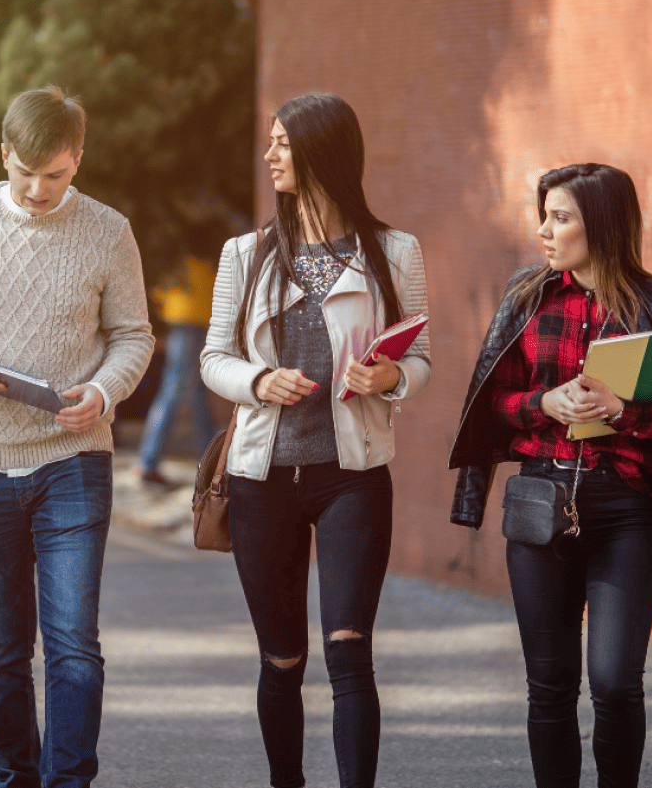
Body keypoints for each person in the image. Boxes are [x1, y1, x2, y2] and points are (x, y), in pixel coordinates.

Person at [448, 163, 652, 788]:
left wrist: (621, 412)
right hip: (539, 506)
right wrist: (543, 403)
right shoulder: (527, 296)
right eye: (543, 215)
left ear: (600, 224)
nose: (544, 230)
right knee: (548, 687)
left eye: (561, 217)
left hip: (627, 513)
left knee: (614, 683)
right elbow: (487, 404)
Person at [0, 86, 154, 788]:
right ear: (4, 153)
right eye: (26, 173)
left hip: (73, 460)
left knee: (73, 647)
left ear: (78, 157)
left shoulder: (109, 230)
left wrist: (102, 392)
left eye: (57, 174)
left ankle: (68, 782)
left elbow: (133, 336)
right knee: (1, 654)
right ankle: (14, 777)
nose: (40, 189)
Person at [200, 93, 431, 788]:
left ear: (322, 152)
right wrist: (259, 379)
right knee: (281, 659)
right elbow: (214, 355)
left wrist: (390, 374)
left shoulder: (394, 251)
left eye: (282, 143)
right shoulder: (245, 254)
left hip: (351, 476)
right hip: (260, 479)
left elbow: (419, 361)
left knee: (349, 650)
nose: (269, 155)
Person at [136, 252, 219, 490]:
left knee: (197, 393)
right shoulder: (186, 244)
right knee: (173, 390)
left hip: (191, 318)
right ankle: (148, 462)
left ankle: (211, 461)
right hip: (187, 319)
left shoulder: (181, 244)